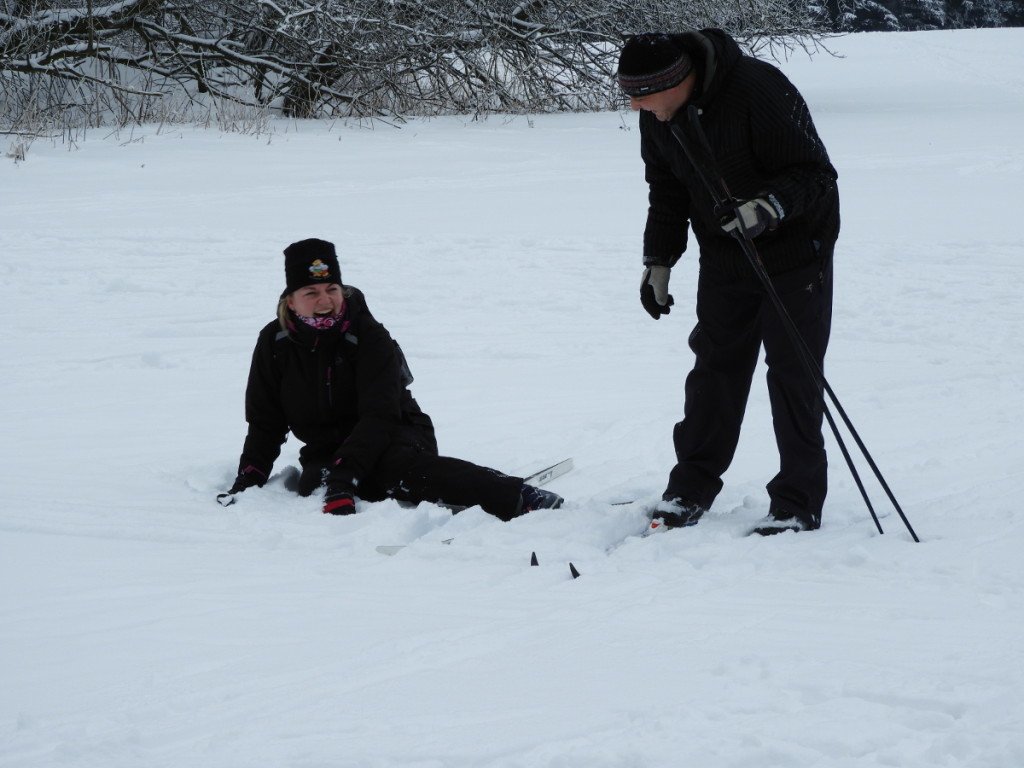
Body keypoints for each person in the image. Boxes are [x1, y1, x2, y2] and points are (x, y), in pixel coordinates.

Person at [617, 30, 840, 535]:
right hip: (726, 258)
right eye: (630, 96)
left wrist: (767, 207)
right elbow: (667, 189)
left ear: (678, 80)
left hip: (796, 254)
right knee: (714, 371)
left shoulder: (758, 89)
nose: (636, 107)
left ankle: (797, 501)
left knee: (793, 375)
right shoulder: (660, 116)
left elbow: (816, 173)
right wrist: (660, 260)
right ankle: (690, 487)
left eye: (643, 95)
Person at [218, 237, 564, 520]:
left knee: (390, 472)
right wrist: (251, 475)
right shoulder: (273, 343)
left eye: (332, 290)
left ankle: (517, 496)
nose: (325, 301)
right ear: (291, 301)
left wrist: (346, 475)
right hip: (328, 448)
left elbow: (379, 415)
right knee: (316, 484)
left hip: (396, 433)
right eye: (311, 293)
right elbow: (265, 420)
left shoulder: (369, 336)